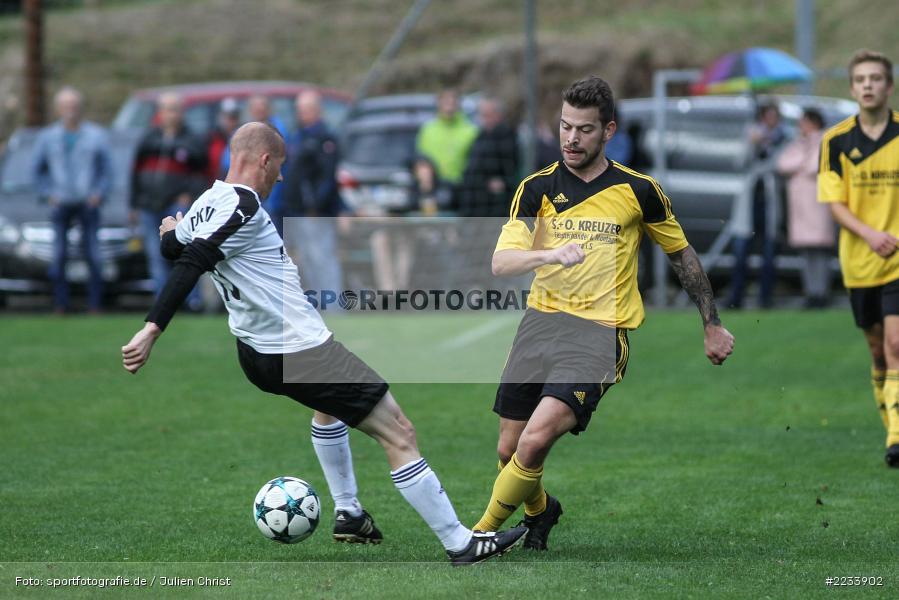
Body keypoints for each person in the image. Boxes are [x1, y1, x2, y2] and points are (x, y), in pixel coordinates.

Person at [120, 122, 526, 564]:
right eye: (280, 168)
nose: (281, 178)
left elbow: (173, 249)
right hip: (298, 350)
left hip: (255, 353)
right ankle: (460, 543)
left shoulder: (206, 201)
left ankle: (349, 512)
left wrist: (167, 232)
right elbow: (193, 261)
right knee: (400, 433)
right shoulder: (243, 203)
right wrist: (152, 327)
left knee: (326, 406)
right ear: (264, 160)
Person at [472, 77, 734, 550]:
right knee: (508, 450)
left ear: (608, 130)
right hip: (538, 325)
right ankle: (541, 510)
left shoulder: (638, 191)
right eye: (565, 127)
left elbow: (682, 255)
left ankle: (478, 534)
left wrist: (711, 324)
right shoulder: (536, 190)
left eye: (584, 130)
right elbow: (500, 262)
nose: (571, 138)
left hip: (597, 334)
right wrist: (548, 255)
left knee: (533, 444)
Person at [818, 49, 899, 467]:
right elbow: (835, 203)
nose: (868, 85)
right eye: (861, 79)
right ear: (852, 88)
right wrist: (870, 234)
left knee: (896, 342)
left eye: (876, 78)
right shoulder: (835, 141)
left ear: (889, 85)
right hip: (861, 261)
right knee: (877, 352)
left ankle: (895, 436)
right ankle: (891, 424)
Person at [31, 86, 112, 313]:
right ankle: (60, 304)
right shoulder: (48, 137)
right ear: (58, 109)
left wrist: (99, 193)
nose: (71, 111)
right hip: (61, 203)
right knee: (58, 255)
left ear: (81, 108)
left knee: (94, 255)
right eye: (66, 106)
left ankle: (95, 304)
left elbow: (106, 169)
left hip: (88, 203)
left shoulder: (96, 135)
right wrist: (48, 194)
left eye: (74, 106)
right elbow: (37, 170)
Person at [130, 92, 208, 310]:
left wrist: (190, 195)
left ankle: (192, 300)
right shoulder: (149, 139)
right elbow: (135, 172)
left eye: (175, 109)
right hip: (149, 204)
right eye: (166, 109)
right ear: (160, 113)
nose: (171, 114)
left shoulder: (192, 140)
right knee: (156, 255)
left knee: (186, 251)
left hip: (177, 205)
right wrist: (134, 203)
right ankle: (163, 302)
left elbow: (202, 175)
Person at [282, 90, 344, 297]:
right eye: (299, 109)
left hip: (315, 212)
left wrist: (315, 205)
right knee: (307, 259)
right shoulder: (297, 136)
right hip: (297, 210)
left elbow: (326, 178)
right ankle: (320, 300)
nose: (302, 114)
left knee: (322, 258)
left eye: (306, 109)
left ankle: (332, 303)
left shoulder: (325, 139)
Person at [727, 102, 787, 309]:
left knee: (769, 253)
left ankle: (765, 298)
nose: (771, 121)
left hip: (769, 203)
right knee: (741, 252)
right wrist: (752, 143)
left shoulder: (784, 139)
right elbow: (739, 162)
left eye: (775, 117)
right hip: (750, 203)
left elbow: (780, 166)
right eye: (767, 116)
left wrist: (769, 148)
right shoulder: (750, 135)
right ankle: (736, 297)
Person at [776, 108, 834, 308]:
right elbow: (783, 163)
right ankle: (811, 292)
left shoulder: (824, 140)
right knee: (806, 252)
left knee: (820, 251)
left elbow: (813, 165)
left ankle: (821, 293)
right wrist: (801, 161)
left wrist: (800, 163)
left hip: (818, 204)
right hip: (801, 207)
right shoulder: (799, 143)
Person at [458, 96, 519, 217]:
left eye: (487, 114)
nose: (483, 119)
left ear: (497, 115)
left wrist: (503, 183)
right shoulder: (480, 136)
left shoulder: (506, 136)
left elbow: (509, 171)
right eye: (482, 114)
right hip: (475, 200)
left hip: (493, 204)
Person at [415, 88, 478, 204]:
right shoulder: (427, 130)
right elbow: (421, 159)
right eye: (445, 101)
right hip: (433, 191)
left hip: (462, 191)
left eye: (453, 101)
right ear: (438, 103)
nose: (449, 105)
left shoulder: (471, 131)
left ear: (459, 104)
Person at [206, 97, 241, 182]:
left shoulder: (244, 139)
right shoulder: (211, 139)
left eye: (234, 117)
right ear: (221, 117)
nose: (231, 121)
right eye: (227, 117)